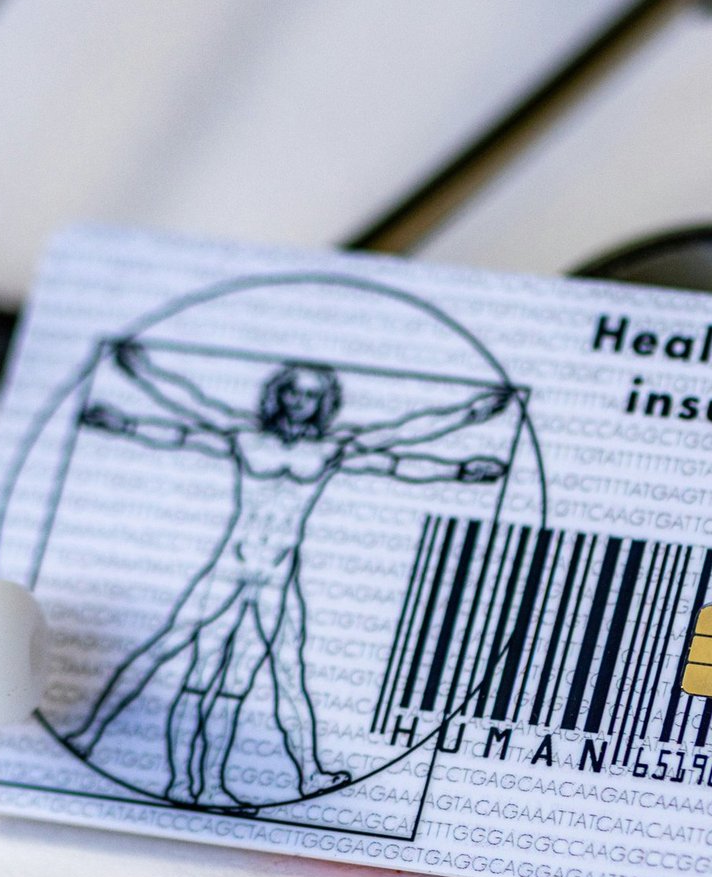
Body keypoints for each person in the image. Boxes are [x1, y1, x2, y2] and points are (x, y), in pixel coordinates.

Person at [62, 342, 512, 806]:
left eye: (312, 395)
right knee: (175, 652)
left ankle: (253, 780)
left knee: (262, 676)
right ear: (279, 394)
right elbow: (187, 416)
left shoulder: (333, 449)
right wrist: (132, 397)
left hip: (278, 575)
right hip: (232, 565)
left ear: (325, 403)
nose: (301, 401)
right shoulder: (245, 436)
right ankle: (97, 736)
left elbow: (399, 446)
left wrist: (466, 445)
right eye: (294, 392)